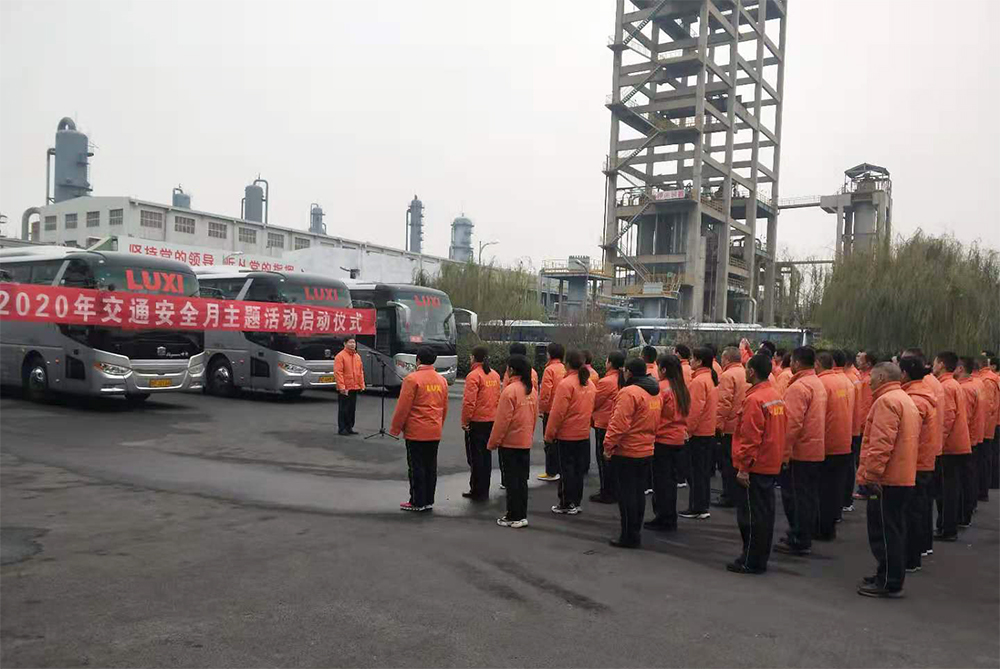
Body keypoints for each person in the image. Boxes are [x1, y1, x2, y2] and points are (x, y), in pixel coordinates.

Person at [856, 362, 920, 598]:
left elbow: (881, 443)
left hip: (888, 478)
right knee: (893, 529)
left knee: (884, 531)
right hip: (900, 476)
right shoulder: (903, 398)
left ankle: (889, 582)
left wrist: (872, 474)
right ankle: (886, 574)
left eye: (872, 377)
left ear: (882, 377)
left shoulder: (886, 401)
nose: (869, 381)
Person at [728, 353, 786, 574]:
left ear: (752, 371)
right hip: (769, 463)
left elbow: (750, 438)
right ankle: (759, 558)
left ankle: (751, 560)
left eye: (746, 368)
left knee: (751, 517)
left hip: (755, 466)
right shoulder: (775, 395)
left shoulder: (755, 400)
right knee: (764, 515)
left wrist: (744, 468)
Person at [774, 346, 827, 556]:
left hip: (801, 450)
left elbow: (791, 424)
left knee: (796, 497)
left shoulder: (798, 387)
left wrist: (783, 453)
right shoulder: (817, 383)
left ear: (796, 363)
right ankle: (802, 534)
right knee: (808, 496)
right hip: (814, 448)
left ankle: (799, 538)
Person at [603, 357, 660, 548]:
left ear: (628, 372)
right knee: (638, 493)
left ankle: (628, 535)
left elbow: (619, 423)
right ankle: (634, 531)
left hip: (628, 450)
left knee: (627, 495)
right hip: (646, 448)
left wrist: (608, 445)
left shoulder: (629, 393)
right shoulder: (653, 392)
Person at [390, 347, 449, 512]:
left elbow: (403, 407)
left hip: (416, 430)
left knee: (416, 467)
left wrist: (395, 428)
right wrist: (439, 424)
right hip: (434, 429)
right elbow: (444, 407)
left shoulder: (412, 379)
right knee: (430, 466)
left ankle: (417, 501)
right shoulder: (441, 380)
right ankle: (429, 500)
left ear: (418, 360)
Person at [899, 354, 939, 573]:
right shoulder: (923, 393)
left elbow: (908, 436)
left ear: (905, 374)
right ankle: (920, 549)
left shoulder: (914, 400)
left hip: (915, 462)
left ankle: (910, 558)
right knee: (919, 508)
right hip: (923, 460)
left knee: (912, 511)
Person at [488, 355, 538, 528]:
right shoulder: (531, 391)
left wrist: (493, 442)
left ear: (512, 370)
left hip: (510, 443)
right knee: (521, 481)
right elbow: (533, 418)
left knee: (511, 482)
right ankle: (521, 515)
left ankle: (513, 515)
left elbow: (502, 421)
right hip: (524, 441)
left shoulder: (509, 391)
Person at [544, 349, 596, 515]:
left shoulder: (566, 384)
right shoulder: (589, 384)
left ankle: (566, 502)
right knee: (578, 471)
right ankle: (576, 502)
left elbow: (557, 413)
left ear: (567, 364)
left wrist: (549, 434)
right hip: (583, 433)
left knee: (566, 470)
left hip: (567, 434)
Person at [646, 353, 690, 531]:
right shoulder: (681, 387)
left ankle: (664, 517)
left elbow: (654, 414)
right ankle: (669, 515)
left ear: (663, 369)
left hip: (662, 439)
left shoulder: (661, 388)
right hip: (678, 439)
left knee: (661, 482)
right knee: (670, 481)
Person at [932, 351, 971, 541]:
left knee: (946, 490)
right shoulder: (953, 384)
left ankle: (947, 528)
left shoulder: (946, 386)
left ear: (941, 364)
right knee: (951, 487)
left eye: (935, 362)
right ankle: (948, 525)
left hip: (950, 446)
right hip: (956, 443)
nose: (933, 366)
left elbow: (946, 418)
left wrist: (937, 445)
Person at [815, 350, 854, 541]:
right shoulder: (846, 382)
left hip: (826, 443)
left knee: (822, 489)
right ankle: (831, 523)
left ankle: (822, 527)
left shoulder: (821, 384)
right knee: (835, 487)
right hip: (844, 440)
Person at [680, 347, 719, 520]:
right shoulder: (709, 378)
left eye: (693, 358)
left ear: (700, 361)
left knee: (696, 472)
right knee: (702, 472)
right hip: (708, 430)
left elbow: (694, 410)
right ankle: (702, 505)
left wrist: (687, 430)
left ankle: (697, 507)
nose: (690, 361)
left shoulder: (699, 381)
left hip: (699, 432)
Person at [461, 346, 502, 501]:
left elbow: (469, 402)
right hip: (491, 420)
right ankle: (484, 488)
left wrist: (465, 421)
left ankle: (477, 489)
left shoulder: (473, 376)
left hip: (477, 421)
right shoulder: (495, 375)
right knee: (486, 456)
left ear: (473, 357)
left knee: (475, 457)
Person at [714, 346, 748, 508]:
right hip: (743, 424)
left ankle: (728, 496)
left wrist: (718, 424)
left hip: (730, 426)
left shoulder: (727, 375)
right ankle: (738, 495)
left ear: (727, 359)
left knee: (728, 463)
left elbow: (724, 402)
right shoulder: (745, 372)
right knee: (738, 463)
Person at [591, 351, 625, 504]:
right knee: (615, 460)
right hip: (617, 424)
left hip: (604, 423)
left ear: (610, 363)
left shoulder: (606, 381)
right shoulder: (622, 379)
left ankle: (606, 492)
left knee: (604, 460)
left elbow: (595, 401)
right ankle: (615, 490)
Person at [956, 357, 984, 524]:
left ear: (960, 369)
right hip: (974, 436)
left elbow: (963, 418)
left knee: (964, 477)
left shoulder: (965, 389)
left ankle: (964, 513)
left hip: (966, 438)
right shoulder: (975, 385)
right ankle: (969, 507)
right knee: (970, 474)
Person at [538, 342, 567, 482]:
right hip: (563, 409)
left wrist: (541, 409)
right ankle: (560, 469)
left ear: (550, 354)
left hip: (550, 409)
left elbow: (545, 393)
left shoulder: (549, 370)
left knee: (549, 440)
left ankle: (551, 471)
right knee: (560, 441)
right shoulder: (564, 368)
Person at [853, 351, 877, 500]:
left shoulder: (868, 380)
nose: (858, 361)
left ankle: (865, 488)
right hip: (861, 424)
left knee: (863, 458)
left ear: (868, 364)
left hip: (863, 426)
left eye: (860, 359)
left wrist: (861, 425)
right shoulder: (862, 377)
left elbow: (865, 405)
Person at [973, 357, 997, 502]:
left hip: (986, 427)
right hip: (990, 424)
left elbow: (988, 406)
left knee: (983, 459)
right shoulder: (991, 378)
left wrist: (981, 427)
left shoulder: (987, 380)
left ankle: (983, 490)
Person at [843, 350, 864, 511]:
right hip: (853, 426)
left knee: (847, 466)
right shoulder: (853, 377)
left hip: (849, 428)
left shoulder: (849, 378)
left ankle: (845, 500)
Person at [333, 337, 365, 435]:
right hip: (345, 387)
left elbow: (360, 372)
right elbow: (338, 373)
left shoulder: (357, 356)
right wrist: (342, 387)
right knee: (344, 409)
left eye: (354, 342)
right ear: (345, 344)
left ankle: (349, 427)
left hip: (354, 386)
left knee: (351, 408)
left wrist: (362, 384)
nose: (352, 344)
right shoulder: (340, 356)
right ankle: (342, 428)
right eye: (350, 342)